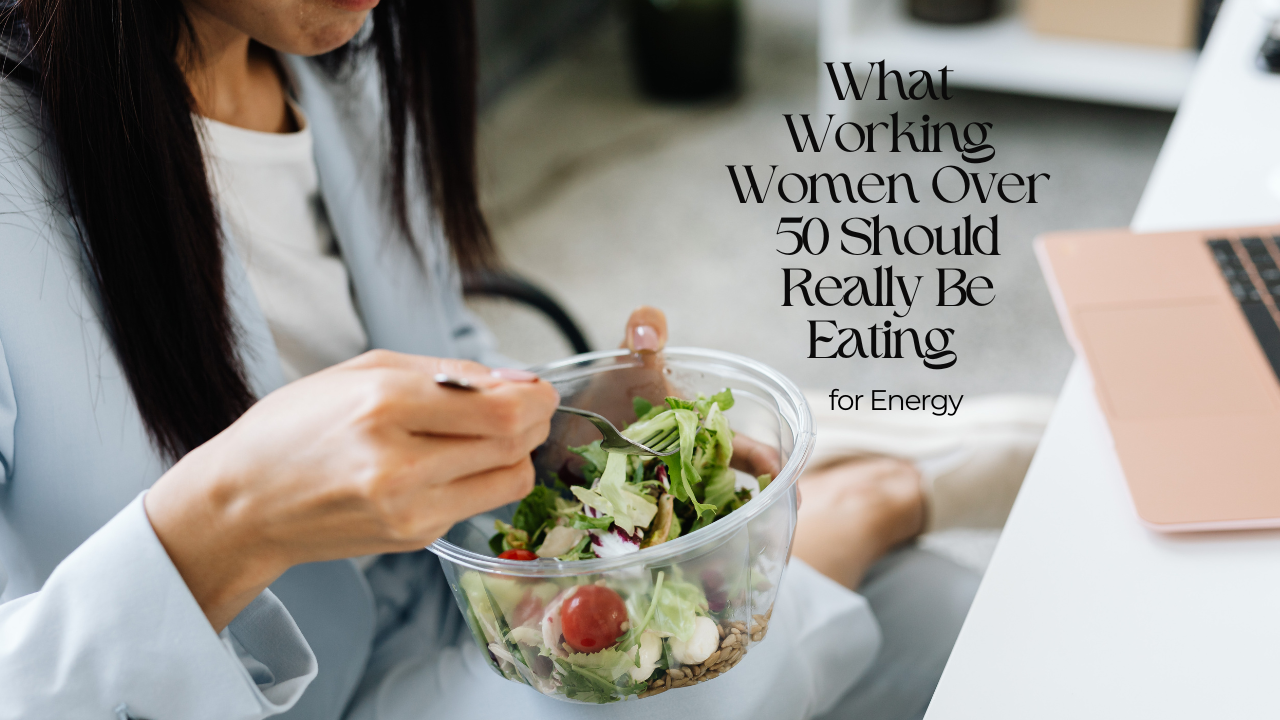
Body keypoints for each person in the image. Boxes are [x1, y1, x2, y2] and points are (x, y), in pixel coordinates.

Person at [0, 1, 1001, 718]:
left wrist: (546, 436)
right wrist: (223, 524)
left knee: (965, 622)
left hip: (461, 609)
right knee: (705, 666)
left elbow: (432, 338)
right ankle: (869, 504)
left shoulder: (342, 46)